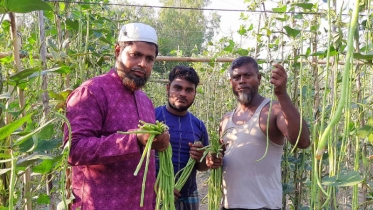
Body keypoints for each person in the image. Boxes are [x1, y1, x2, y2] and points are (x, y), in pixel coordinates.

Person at [63, 23, 170, 210]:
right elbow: (73, 149)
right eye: (135, 55)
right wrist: (134, 141)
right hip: (99, 204)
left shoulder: (145, 101)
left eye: (149, 59)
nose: (142, 64)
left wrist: (160, 141)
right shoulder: (92, 92)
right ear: (117, 51)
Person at [206, 56, 311, 210]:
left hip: (263, 206)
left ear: (259, 78)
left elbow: (302, 142)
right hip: (229, 206)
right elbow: (220, 156)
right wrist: (212, 159)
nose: (242, 80)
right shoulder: (226, 119)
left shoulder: (273, 111)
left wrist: (282, 94)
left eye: (247, 75)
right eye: (236, 77)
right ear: (231, 82)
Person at [155, 65, 209, 210]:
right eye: (178, 88)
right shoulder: (153, 118)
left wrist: (201, 156)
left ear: (195, 93)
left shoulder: (198, 125)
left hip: (189, 196)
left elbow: (202, 167)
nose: (183, 93)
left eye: (189, 90)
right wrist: (160, 187)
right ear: (168, 88)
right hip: (155, 195)